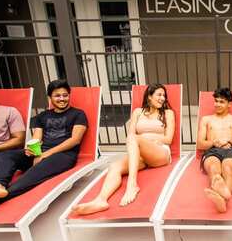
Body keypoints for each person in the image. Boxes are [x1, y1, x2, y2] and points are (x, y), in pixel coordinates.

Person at [0, 79, 87, 213]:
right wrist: (32, 151)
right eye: (57, 96)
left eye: (65, 95)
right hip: (41, 153)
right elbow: (37, 138)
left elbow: (74, 140)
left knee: (30, 176)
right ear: (50, 98)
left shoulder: (78, 114)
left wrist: (45, 155)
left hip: (63, 156)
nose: (62, 99)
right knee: (7, 154)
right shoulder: (42, 116)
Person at [72, 83, 175, 215]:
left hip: (160, 153)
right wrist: (142, 139)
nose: (162, 98)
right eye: (159, 95)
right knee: (115, 166)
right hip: (141, 154)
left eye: (164, 96)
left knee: (134, 139)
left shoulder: (168, 113)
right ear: (149, 97)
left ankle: (132, 185)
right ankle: (100, 200)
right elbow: (130, 135)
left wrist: (144, 137)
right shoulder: (138, 112)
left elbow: (168, 139)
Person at [197, 88, 232, 213]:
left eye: (221, 102)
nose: (217, 104)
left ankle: (222, 201)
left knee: (228, 168)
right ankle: (223, 199)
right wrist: (213, 142)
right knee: (214, 168)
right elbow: (200, 144)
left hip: (231, 150)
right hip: (211, 151)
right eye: (216, 101)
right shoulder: (206, 120)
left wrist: (228, 139)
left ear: (229, 104)